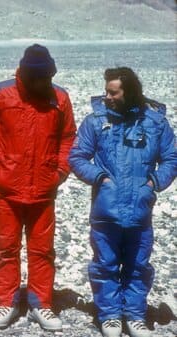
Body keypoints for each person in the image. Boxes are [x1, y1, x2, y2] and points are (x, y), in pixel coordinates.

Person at [0, 44, 77, 331]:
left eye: (49, 77)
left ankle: (41, 303)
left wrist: (60, 171)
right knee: (6, 248)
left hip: (43, 189)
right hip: (7, 190)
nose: (45, 83)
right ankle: (6, 301)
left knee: (43, 250)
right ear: (26, 75)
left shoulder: (60, 98)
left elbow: (68, 137)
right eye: (40, 78)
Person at [69, 67, 176, 337]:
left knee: (139, 264)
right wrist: (101, 178)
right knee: (105, 263)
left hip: (141, 210)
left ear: (129, 93)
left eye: (113, 92)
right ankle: (110, 315)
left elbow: (171, 158)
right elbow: (78, 157)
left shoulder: (155, 123)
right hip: (106, 210)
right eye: (106, 91)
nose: (107, 97)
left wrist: (153, 183)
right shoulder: (95, 122)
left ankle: (135, 315)